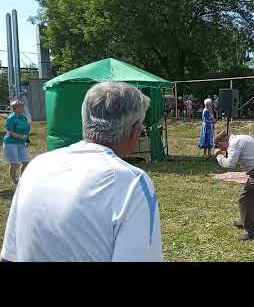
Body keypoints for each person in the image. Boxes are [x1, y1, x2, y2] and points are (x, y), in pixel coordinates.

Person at [1, 82, 162, 262]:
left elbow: (9, 254)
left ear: (85, 120)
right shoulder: (131, 183)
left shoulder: (37, 165)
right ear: (135, 130)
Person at [214, 131, 254, 241]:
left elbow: (230, 164)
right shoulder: (241, 137)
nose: (223, 150)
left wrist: (218, 156)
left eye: (220, 147)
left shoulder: (233, 143)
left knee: (245, 199)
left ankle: (252, 233)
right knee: (253, 198)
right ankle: (245, 221)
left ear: (223, 141)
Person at [3, 99, 30, 188]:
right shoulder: (11, 118)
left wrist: (26, 140)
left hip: (22, 143)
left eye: (22, 106)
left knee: (25, 162)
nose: (22, 108)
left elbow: (27, 131)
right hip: (11, 143)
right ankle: (14, 180)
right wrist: (20, 137)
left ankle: (21, 178)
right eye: (20, 106)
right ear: (14, 109)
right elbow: (9, 132)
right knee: (14, 163)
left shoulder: (24, 118)